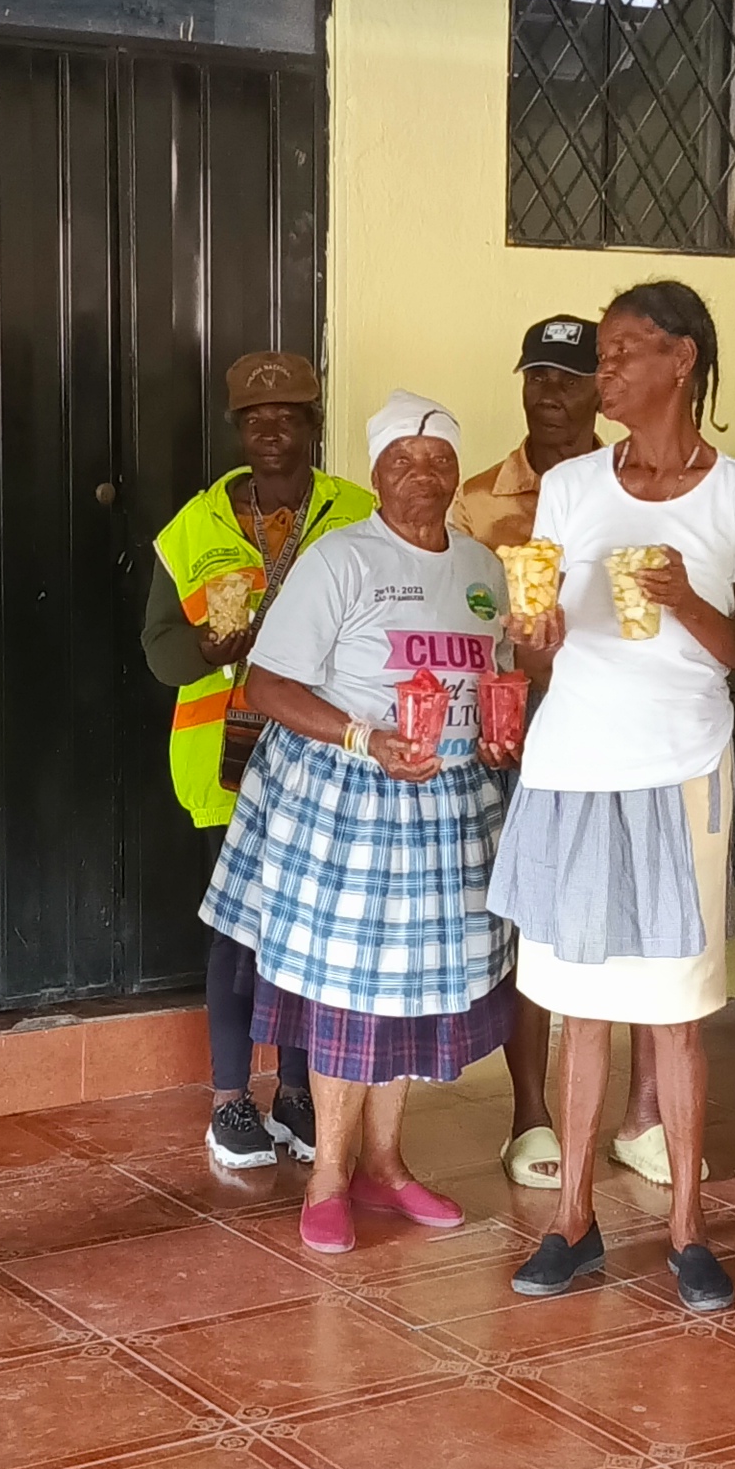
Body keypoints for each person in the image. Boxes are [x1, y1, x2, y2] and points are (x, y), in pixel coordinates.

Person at [493, 283, 735, 1306]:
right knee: (580, 1007)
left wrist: (684, 599)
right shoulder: (572, 485)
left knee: (675, 1012)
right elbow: (545, 640)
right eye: (603, 354)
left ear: (683, 359)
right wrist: (534, 639)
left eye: (624, 351)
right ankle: (571, 1222)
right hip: (572, 765)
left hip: (680, 767)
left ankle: (688, 1230)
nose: (603, 370)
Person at [201, 390, 519, 1256]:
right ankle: (329, 1178)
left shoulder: (483, 570)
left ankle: (384, 1165)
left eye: (439, 460)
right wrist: (364, 737)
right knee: (349, 994)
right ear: (375, 474)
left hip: (448, 802)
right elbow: (267, 686)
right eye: (402, 461)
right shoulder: (341, 559)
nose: (423, 475)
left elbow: (497, 676)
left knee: (410, 995)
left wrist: (499, 736)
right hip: (351, 798)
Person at [140, 351, 377, 1170]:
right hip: (227, 759)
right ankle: (231, 1100)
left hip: (324, 755)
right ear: (237, 428)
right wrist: (209, 647)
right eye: (254, 419)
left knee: (313, 931)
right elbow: (160, 651)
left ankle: (300, 1090)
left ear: (314, 423)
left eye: (288, 416)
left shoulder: (359, 515)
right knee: (237, 934)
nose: (270, 431)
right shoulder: (195, 526)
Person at [454, 314, 604, 1193]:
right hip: (514, 728)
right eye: (536, 375)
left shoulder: (629, 488)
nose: (548, 393)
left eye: (568, 377)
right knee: (530, 922)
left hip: (612, 724)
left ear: (602, 390)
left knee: (617, 912)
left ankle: (640, 1115)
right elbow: (457, 624)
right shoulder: (477, 502)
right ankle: (531, 1112)